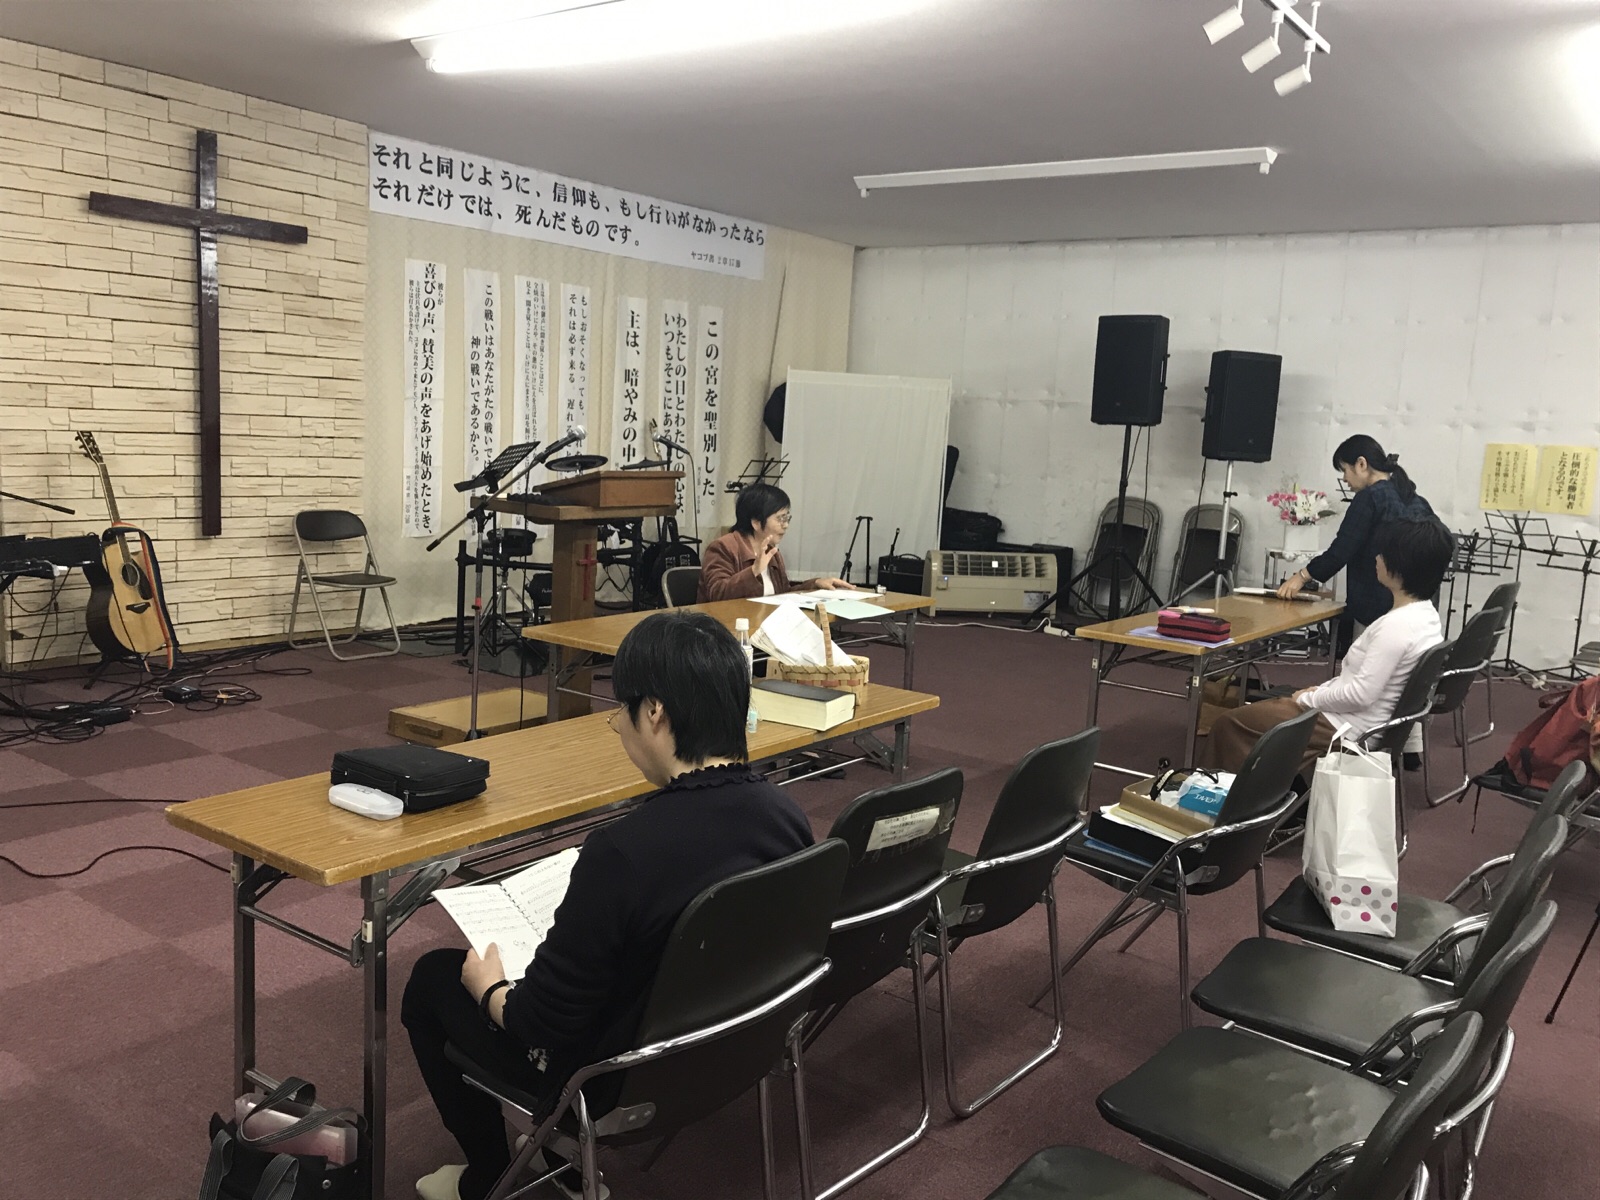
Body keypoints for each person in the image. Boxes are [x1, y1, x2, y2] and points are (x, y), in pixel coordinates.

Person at [403, 611, 815, 1200]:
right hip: (734, 1050)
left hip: (611, 1083)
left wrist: (488, 987)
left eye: (621, 707)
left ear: (655, 711)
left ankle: (489, 1176)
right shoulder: (786, 817)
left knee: (432, 979)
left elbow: (535, 1023)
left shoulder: (624, 852)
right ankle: (561, 1162)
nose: (618, 723)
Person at [1204, 516, 1453, 778]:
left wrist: (1306, 699)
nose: (1376, 558)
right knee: (1265, 715)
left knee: (1228, 724)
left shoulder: (1396, 627)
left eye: (1382, 553)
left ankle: (1211, 794)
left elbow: (1360, 695)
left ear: (1399, 567)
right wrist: (1321, 691)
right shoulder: (1426, 616)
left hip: (1348, 727)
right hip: (1365, 722)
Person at [1277, 435, 1436, 632]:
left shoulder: (1369, 497)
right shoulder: (1415, 500)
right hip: (1413, 607)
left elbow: (1342, 549)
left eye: (1345, 470)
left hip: (1374, 606)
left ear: (1361, 464)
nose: (1344, 479)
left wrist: (1302, 577)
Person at [697, 482, 850, 602]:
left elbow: (783, 594)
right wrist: (753, 571)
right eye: (780, 518)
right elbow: (717, 594)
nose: (786, 525)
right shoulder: (723, 547)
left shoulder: (772, 552)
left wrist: (815, 584)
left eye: (787, 518)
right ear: (756, 523)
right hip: (728, 627)